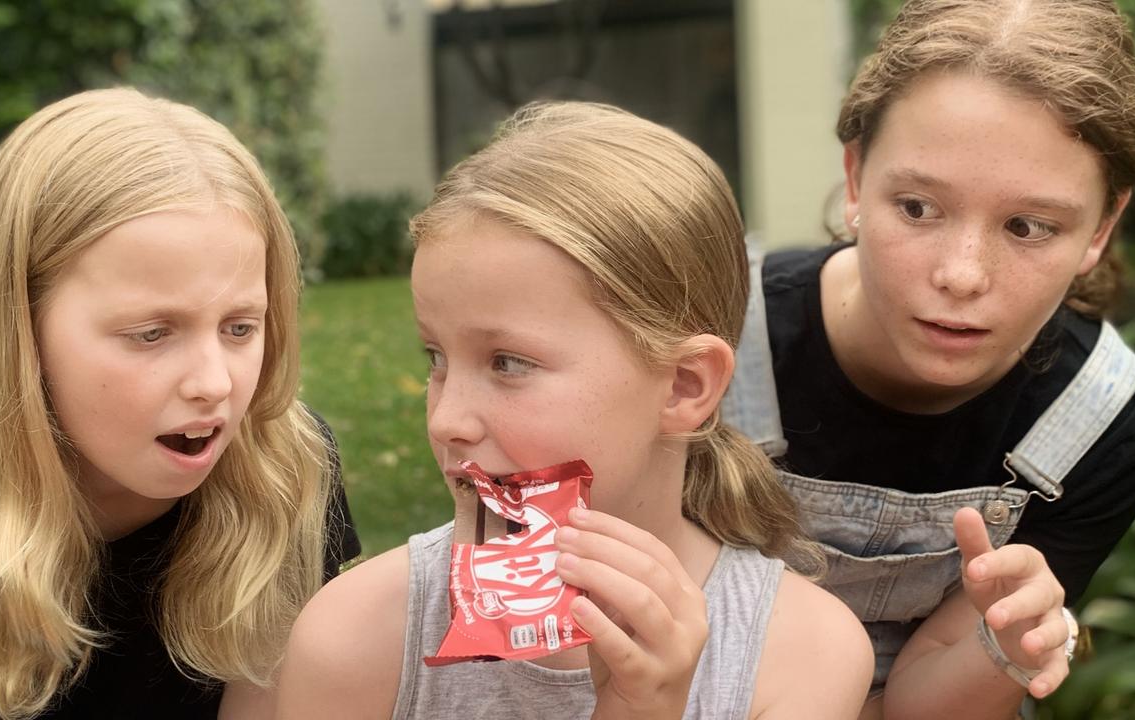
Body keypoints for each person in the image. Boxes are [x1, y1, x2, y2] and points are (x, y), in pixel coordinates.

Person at [276, 101, 874, 720]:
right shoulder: (355, 639)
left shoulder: (799, 655)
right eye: (437, 357)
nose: (445, 420)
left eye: (509, 363)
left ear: (683, 387)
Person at [720, 1, 1135, 718]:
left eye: (1027, 226)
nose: (962, 274)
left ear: (1101, 228)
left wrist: (1004, 650)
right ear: (858, 176)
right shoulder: (708, 337)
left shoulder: (1102, 424)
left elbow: (923, 704)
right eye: (920, 208)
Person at [0, 88, 361, 720]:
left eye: (240, 327)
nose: (213, 383)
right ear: (20, 330)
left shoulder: (286, 472)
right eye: (151, 333)